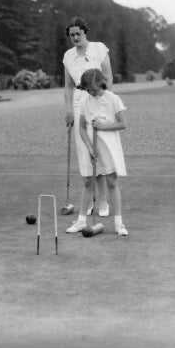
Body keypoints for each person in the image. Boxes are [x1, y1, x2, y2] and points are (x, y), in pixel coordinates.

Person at [67, 68, 129, 236]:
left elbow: (123, 124)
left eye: (93, 90)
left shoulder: (113, 99)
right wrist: (89, 147)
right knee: (88, 181)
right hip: (91, 144)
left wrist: (103, 126)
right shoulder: (85, 101)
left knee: (111, 182)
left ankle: (119, 224)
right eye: (88, 90)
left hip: (109, 144)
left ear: (102, 84)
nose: (91, 93)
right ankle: (81, 222)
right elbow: (81, 127)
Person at [62, 16, 113, 217]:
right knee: (85, 153)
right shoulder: (68, 56)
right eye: (71, 35)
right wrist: (67, 109)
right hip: (78, 103)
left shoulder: (99, 49)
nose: (75, 37)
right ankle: (88, 200)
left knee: (98, 151)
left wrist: (107, 104)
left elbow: (108, 78)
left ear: (85, 32)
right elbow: (67, 86)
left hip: (98, 100)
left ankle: (103, 202)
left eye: (78, 34)